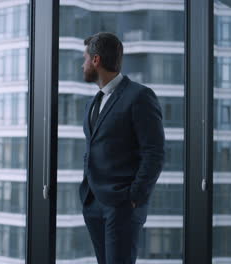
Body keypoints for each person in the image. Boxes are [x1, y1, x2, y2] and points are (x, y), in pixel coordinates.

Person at [79, 32, 165, 264]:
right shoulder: (92, 102)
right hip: (94, 202)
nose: (82, 64)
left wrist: (135, 196)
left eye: (85, 58)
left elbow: (154, 153)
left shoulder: (139, 96)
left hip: (122, 205)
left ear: (96, 60)